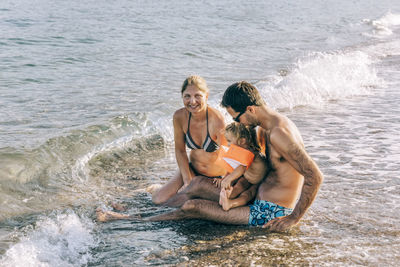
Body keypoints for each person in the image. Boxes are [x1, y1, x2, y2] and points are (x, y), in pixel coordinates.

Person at [145, 81, 324, 232]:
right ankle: (151, 210)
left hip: (269, 211)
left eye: (237, 118)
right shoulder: (265, 127)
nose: (238, 123)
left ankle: (136, 221)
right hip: (253, 196)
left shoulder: (280, 134)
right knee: (197, 184)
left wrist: (293, 218)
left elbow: (314, 176)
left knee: (192, 207)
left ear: (250, 109)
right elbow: (254, 166)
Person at [214, 122, 269, 211]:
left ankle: (230, 204)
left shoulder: (251, 152)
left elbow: (241, 168)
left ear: (242, 141)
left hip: (258, 182)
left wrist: (229, 179)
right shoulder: (240, 151)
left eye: (229, 141)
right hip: (247, 178)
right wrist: (224, 178)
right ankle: (227, 195)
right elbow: (233, 167)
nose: (228, 144)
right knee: (239, 185)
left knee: (248, 194)